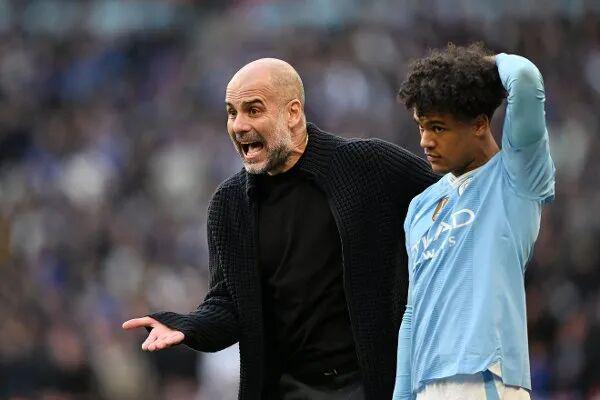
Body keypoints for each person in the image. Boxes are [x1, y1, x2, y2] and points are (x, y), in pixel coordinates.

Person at [123, 58, 438, 399]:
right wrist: (188, 326)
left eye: (253, 110)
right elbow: (229, 305)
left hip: (374, 384)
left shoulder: (368, 165)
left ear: (292, 113)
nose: (239, 125)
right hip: (288, 389)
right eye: (232, 113)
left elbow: (455, 202)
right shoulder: (229, 205)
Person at [392, 43, 555, 399]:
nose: (425, 141)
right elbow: (412, 312)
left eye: (438, 128)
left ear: (480, 124)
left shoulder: (517, 177)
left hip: (484, 378)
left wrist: (476, 69)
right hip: (426, 385)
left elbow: (525, 78)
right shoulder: (420, 207)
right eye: (421, 126)